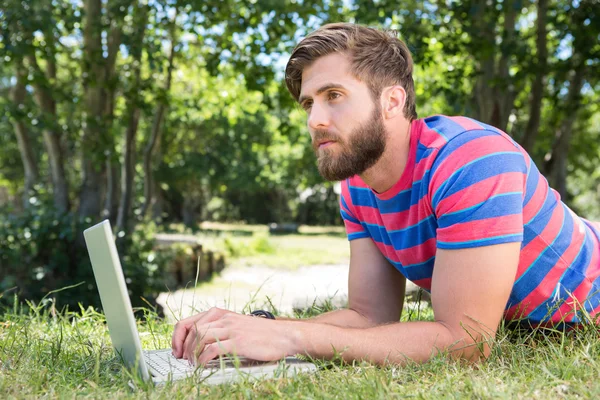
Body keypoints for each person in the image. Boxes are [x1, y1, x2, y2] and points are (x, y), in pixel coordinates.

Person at [171, 23, 600, 367]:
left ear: (392, 100)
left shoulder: (471, 160)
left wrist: (291, 336)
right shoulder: (357, 187)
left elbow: (465, 343)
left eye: (333, 96)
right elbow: (368, 317)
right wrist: (251, 330)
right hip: (529, 327)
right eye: (308, 104)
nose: (315, 120)